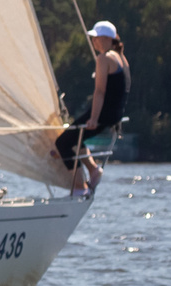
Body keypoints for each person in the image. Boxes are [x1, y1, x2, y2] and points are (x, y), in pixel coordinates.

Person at [55, 20, 130, 194]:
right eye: (93, 38)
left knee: (63, 143)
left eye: (97, 38)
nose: (94, 41)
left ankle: (80, 188)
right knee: (75, 138)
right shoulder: (122, 58)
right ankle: (93, 170)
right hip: (114, 115)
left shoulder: (104, 58)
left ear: (107, 39)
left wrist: (94, 119)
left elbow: (100, 91)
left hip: (103, 115)